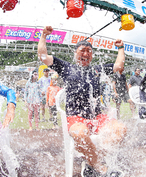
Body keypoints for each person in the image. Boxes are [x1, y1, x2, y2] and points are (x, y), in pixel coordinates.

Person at [38, 26, 127, 176]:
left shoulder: (98, 69)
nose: (86, 53)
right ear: (75, 53)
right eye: (82, 50)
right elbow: (43, 56)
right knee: (80, 134)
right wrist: (43, 36)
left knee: (121, 129)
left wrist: (121, 48)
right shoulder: (66, 67)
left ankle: (91, 160)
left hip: (97, 116)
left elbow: (119, 66)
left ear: (92, 55)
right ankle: (101, 167)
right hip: (75, 117)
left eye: (89, 51)